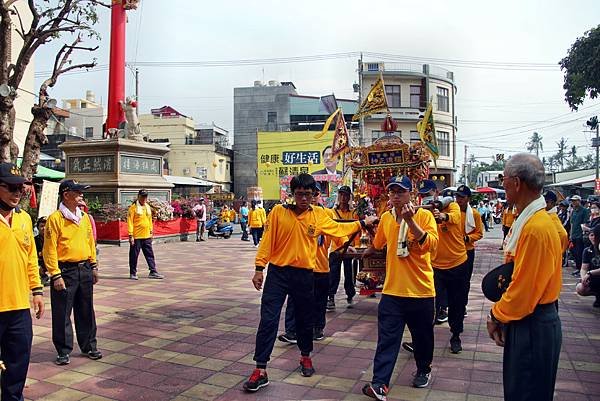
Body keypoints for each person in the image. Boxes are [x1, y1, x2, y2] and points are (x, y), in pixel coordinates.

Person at [243, 173, 376, 392]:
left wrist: (361, 223)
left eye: (308, 194)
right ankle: (261, 369)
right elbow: (266, 241)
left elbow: (338, 228)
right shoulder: (278, 212)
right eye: (299, 195)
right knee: (268, 320)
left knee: (306, 320)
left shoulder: (320, 215)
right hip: (277, 274)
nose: (304, 199)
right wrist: (259, 268)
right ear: (292, 195)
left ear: (315, 195)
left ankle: (305, 357)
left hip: (304, 275)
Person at [487, 153, 562, 401]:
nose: (502, 185)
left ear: (517, 183)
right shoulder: (535, 220)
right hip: (530, 319)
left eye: (504, 179)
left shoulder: (536, 227)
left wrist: (495, 315)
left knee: (525, 392)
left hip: (533, 322)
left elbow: (524, 290)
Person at [361, 176, 439, 400]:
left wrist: (411, 222)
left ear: (411, 193)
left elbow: (431, 247)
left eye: (400, 191)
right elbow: (379, 243)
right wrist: (369, 247)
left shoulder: (424, 216)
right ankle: (380, 384)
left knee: (422, 338)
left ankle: (424, 369)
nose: (395, 195)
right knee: (387, 340)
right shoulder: (386, 218)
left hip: (421, 291)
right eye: (392, 191)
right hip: (392, 292)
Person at [43, 179, 101, 366]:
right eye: (78, 192)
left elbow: (90, 242)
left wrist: (93, 265)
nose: (81, 195)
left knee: (86, 310)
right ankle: (63, 350)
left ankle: (89, 345)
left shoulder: (84, 218)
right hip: (64, 271)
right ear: (66, 195)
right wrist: (55, 274)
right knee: (62, 312)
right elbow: (49, 249)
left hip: (84, 268)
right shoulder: (55, 219)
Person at [0, 163, 44, 400]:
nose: (17, 193)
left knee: (17, 364)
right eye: (12, 188)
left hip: (18, 307)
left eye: (21, 189)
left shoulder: (25, 219)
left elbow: (30, 259)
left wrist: (37, 290)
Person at [278, 184, 333, 343]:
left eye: (313, 194)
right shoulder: (295, 213)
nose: (310, 198)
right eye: (304, 194)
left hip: (321, 266)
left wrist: (346, 244)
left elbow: (338, 232)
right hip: (300, 267)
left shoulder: (326, 214)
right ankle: (291, 331)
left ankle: (317, 329)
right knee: (294, 301)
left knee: (319, 301)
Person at [425, 179, 469, 354]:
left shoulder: (452, 206)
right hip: (435, 266)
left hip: (457, 263)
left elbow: (455, 217)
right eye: (423, 195)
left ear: (436, 193)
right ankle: (422, 340)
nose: (427, 197)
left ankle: (456, 335)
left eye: (429, 193)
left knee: (457, 304)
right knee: (429, 305)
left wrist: (442, 216)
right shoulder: (425, 210)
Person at [327, 185, 359, 310]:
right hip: (336, 248)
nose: (343, 197)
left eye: (346, 195)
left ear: (349, 197)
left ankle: (350, 294)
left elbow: (358, 230)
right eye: (341, 195)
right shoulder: (333, 212)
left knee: (349, 272)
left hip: (350, 248)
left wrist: (356, 246)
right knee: (333, 273)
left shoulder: (354, 212)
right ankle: (331, 297)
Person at [455, 185, 484, 311]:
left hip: (467, 250)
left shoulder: (475, 214)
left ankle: (463, 305)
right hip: (454, 251)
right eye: (457, 196)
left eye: (462, 197)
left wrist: (467, 238)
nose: (458, 199)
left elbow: (479, 233)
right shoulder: (451, 212)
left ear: (468, 199)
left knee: (465, 280)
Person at [127, 189, 164, 280]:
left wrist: (151, 232)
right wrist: (130, 235)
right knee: (134, 255)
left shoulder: (147, 207)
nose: (144, 198)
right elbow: (130, 222)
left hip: (146, 235)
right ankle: (133, 272)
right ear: (138, 196)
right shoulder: (133, 208)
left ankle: (153, 271)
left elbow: (149, 220)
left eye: (145, 196)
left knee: (149, 254)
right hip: (136, 236)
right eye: (142, 196)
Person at [576, 224, 600, 307]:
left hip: (594, 274)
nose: (593, 238)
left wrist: (590, 273)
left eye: (596, 235)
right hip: (594, 279)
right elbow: (583, 268)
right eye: (591, 235)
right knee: (580, 288)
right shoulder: (588, 250)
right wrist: (584, 279)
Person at [569, 194, 590, 277]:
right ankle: (578, 268)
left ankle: (580, 269)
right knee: (574, 252)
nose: (573, 202)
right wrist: (570, 234)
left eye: (575, 200)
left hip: (580, 236)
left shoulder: (584, 211)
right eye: (572, 201)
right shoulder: (573, 211)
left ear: (579, 201)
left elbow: (585, 223)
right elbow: (572, 223)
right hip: (573, 235)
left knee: (580, 252)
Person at [35, 216, 51, 286]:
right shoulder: (34, 241)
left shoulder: (54, 240)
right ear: (37, 228)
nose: (44, 228)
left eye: (46, 226)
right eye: (41, 226)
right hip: (39, 271)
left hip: (53, 271)